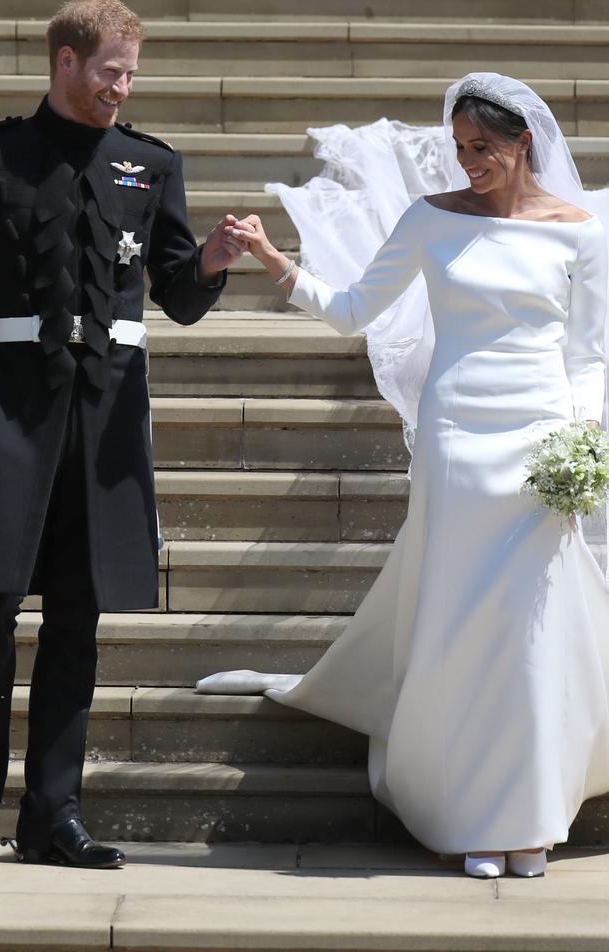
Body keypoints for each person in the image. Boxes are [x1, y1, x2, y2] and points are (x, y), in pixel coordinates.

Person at [198, 73, 609, 878]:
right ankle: (468, 814)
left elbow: (590, 353)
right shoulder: (430, 220)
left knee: (531, 634)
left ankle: (528, 816)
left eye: (482, 149)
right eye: (458, 150)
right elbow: (355, 310)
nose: (467, 164)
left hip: (542, 442)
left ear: (524, 142)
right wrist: (275, 259)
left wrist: (584, 442)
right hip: (458, 437)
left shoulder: (581, 233)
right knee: (464, 629)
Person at [0, 0, 247, 868]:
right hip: (11, 406)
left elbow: (178, 296)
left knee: (78, 618)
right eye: (111, 71)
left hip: (108, 415)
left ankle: (54, 814)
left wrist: (211, 262)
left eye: (131, 73)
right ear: (66, 62)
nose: (123, 87)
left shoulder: (148, 165)